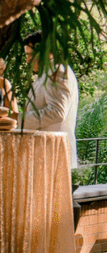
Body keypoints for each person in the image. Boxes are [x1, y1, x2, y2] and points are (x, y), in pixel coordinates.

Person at [21, 31, 80, 169]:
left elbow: (57, 112)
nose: (27, 60)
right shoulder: (47, 73)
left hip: (51, 155)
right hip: (44, 154)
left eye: (30, 54)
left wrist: (18, 119)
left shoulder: (57, 72)